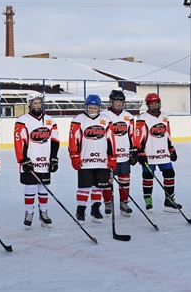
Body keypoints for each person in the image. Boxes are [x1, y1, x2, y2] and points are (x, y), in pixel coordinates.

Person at [14, 92, 60, 229]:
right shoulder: (22, 120)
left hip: (45, 161)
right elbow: (19, 141)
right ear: (29, 104)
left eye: (39, 103)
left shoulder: (51, 120)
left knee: (43, 187)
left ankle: (43, 212)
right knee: (30, 187)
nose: (38, 105)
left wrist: (54, 158)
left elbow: (55, 140)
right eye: (35, 103)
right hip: (30, 161)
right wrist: (23, 160)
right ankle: (29, 213)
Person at [69, 94, 117, 224]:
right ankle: (81, 209)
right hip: (85, 160)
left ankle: (95, 209)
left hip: (102, 160)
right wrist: (74, 155)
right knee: (84, 186)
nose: (92, 110)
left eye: (95, 108)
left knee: (98, 186)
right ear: (86, 107)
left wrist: (112, 157)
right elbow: (73, 140)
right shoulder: (79, 119)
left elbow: (111, 140)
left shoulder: (106, 120)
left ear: (99, 108)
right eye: (90, 107)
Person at [134, 92, 182, 213]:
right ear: (148, 105)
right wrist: (139, 151)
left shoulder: (165, 116)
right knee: (148, 177)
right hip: (148, 153)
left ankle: (169, 200)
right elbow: (138, 135)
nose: (154, 105)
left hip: (163, 152)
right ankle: (148, 198)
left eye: (156, 103)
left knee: (170, 174)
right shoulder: (142, 118)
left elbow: (167, 133)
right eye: (151, 104)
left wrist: (171, 148)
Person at [101, 89, 137, 217]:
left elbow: (132, 135)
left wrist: (134, 150)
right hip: (110, 156)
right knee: (107, 181)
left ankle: (124, 203)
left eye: (120, 101)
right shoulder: (103, 115)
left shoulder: (129, 116)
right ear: (111, 101)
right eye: (116, 101)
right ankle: (107, 202)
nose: (118, 103)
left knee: (125, 180)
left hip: (125, 156)